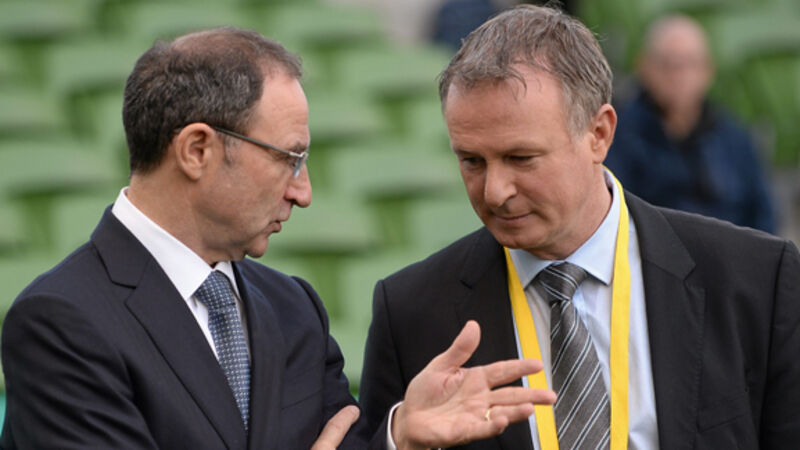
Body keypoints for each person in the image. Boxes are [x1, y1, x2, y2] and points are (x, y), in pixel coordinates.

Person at [0, 27, 557, 449]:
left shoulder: (292, 308)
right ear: (197, 150)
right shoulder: (61, 321)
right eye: (289, 159)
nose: (303, 192)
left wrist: (399, 438)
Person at [359, 5, 800, 449]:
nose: (494, 191)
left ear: (599, 134)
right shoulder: (411, 312)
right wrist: (400, 441)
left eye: (520, 158)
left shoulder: (754, 280)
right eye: (472, 161)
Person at [605, 14, 776, 233]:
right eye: (666, 64)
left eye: (690, 64)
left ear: (708, 71)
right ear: (643, 67)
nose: (678, 75)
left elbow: (763, 215)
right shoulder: (618, 135)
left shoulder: (734, 137)